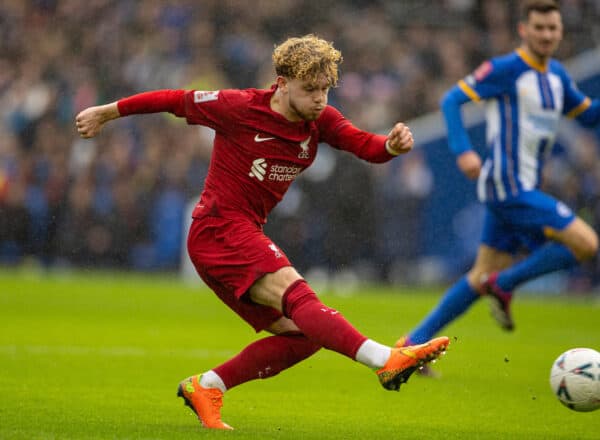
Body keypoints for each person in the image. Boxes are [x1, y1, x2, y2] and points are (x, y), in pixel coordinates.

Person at [75, 34, 449, 430]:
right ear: (282, 83)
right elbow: (173, 99)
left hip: (240, 234)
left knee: (306, 335)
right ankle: (384, 360)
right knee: (300, 295)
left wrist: (391, 145)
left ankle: (208, 386)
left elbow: (364, 145)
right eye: (310, 89)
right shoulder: (239, 107)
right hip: (219, 229)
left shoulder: (319, 119)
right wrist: (107, 112)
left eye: (325, 89)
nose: (320, 98)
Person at [400, 0, 600, 369]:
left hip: (519, 188)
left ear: (560, 32)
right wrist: (462, 151)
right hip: (507, 185)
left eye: (552, 28)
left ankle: (410, 346)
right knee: (585, 243)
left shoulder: (557, 77)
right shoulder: (507, 69)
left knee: (479, 276)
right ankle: (507, 283)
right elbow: (452, 99)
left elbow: (588, 116)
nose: (546, 34)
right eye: (538, 28)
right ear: (523, 30)